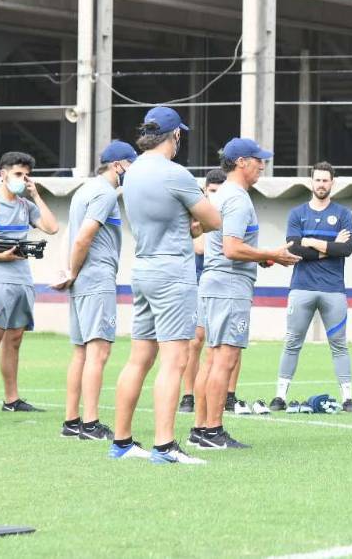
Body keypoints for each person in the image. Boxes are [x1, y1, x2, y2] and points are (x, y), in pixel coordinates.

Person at [111, 106, 222, 464]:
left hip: (142, 268)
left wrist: (187, 223)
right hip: (172, 272)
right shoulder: (176, 174)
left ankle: (123, 442)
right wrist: (195, 224)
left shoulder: (132, 172)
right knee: (174, 361)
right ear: (174, 136)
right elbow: (214, 220)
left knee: (138, 358)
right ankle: (164, 446)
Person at [190, 138, 298, 450]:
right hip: (229, 286)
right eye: (258, 159)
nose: (262, 165)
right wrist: (272, 254)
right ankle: (212, 431)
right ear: (241, 163)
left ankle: (200, 429)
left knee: (212, 359)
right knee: (224, 358)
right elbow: (232, 248)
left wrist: (260, 256)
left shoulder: (223, 194)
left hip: (215, 283)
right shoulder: (237, 199)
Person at [53, 141, 137, 440]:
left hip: (82, 280)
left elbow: (69, 235)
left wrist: (68, 272)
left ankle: (72, 420)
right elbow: (82, 238)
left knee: (81, 352)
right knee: (98, 351)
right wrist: (73, 270)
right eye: (132, 164)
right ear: (118, 165)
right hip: (95, 277)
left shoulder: (84, 191)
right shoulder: (103, 193)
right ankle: (90, 424)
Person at [0, 151, 59, 413]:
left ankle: (11, 399)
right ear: (3, 174)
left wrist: (36, 195)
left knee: (15, 338)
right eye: (18, 174)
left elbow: (52, 228)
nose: (23, 179)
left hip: (22, 280)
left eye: (27, 175)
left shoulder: (26, 206)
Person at [272, 161, 352, 412]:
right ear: (311, 182)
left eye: (326, 180)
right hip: (301, 288)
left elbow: (347, 249)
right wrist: (327, 248)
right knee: (292, 342)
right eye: (318, 180)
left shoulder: (343, 214)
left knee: (339, 345)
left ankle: (348, 399)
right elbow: (294, 249)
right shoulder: (297, 213)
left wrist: (310, 241)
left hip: (334, 290)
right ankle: (279, 397)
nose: (321, 184)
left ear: (333, 183)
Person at [180, 169, 226, 415]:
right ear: (206, 190)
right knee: (196, 340)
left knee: (225, 342)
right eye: (212, 192)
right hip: (197, 280)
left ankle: (227, 394)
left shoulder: (228, 211)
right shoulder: (198, 212)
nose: (216, 196)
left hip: (223, 281)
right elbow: (200, 247)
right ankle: (188, 394)